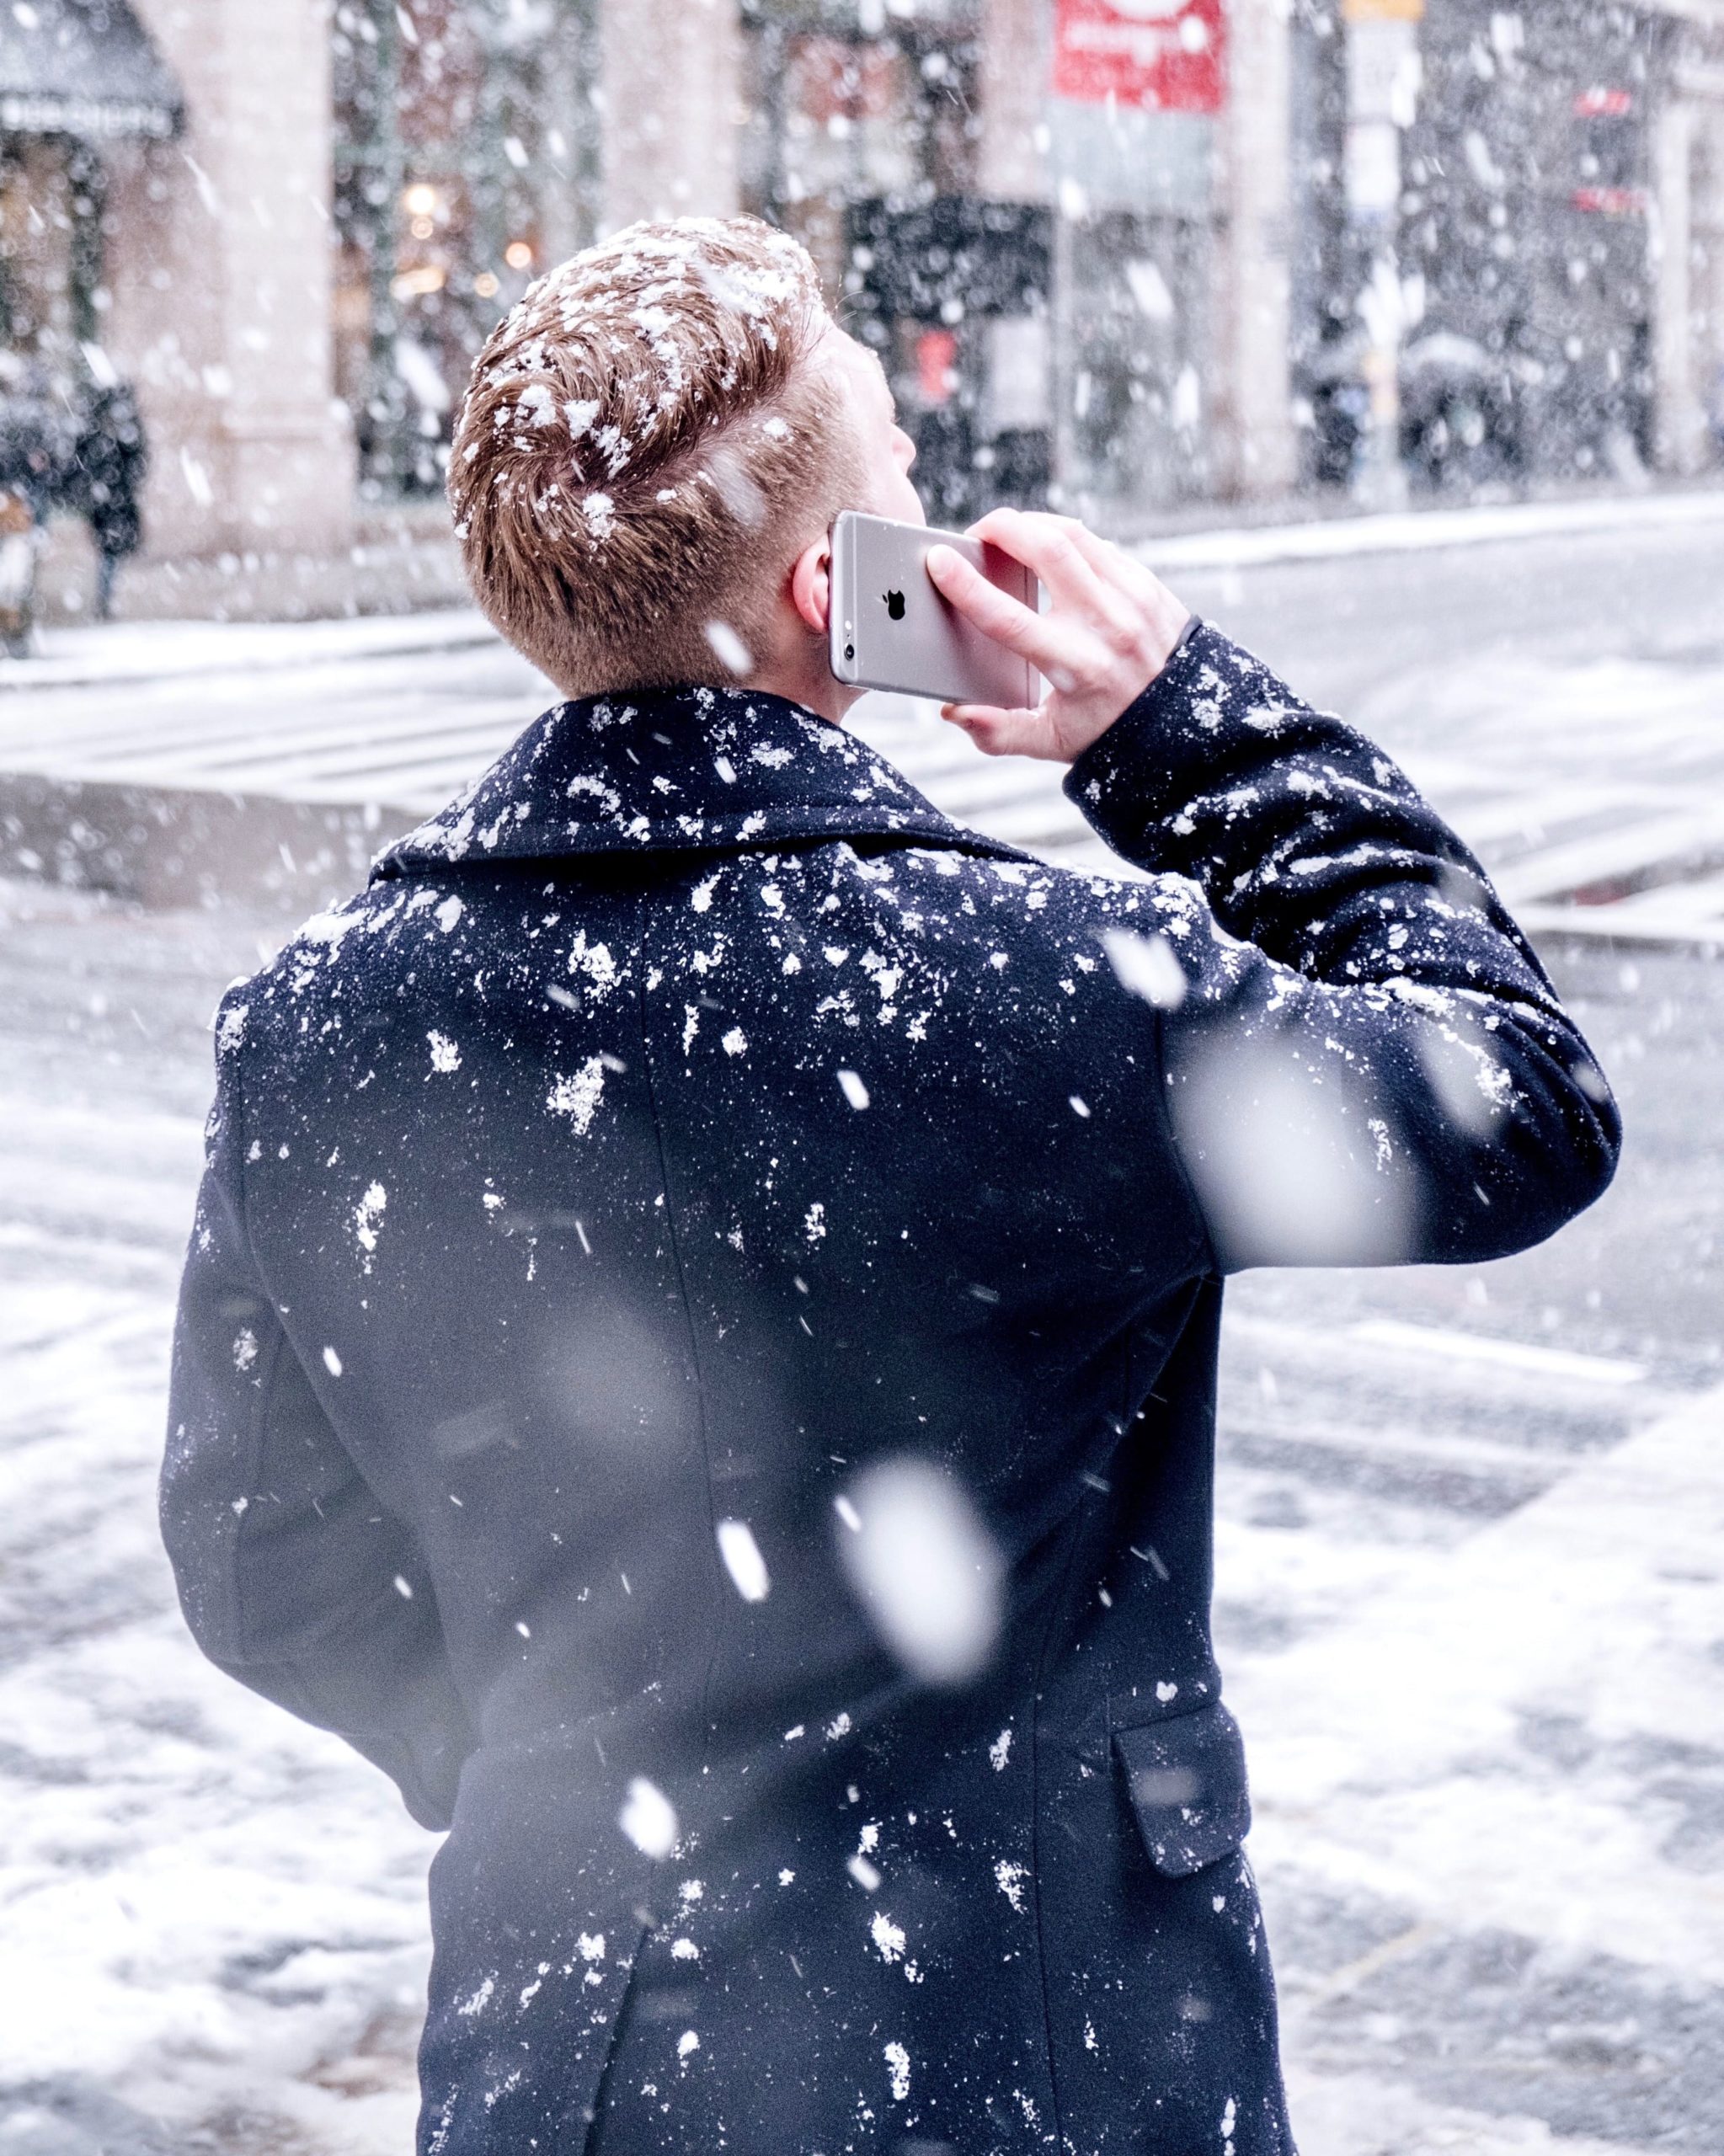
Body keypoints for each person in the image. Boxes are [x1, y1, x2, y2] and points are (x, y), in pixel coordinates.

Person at [160, 217, 1619, 2155]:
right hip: (1039, 2037)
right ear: (831, 590)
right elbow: (1516, 1100)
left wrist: (563, 1766)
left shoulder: (318, 1029)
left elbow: (265, 1565)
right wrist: (1180, 720)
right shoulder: (1056, 994)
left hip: (577, 2054)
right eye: (907, 486)